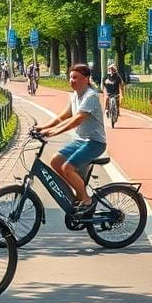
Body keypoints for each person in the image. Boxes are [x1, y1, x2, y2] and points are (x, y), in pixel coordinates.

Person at [36, 63, 107, 212]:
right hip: (80, 141)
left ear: (86, 79)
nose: (71, 80)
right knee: (56, 161)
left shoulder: (91, 96)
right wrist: (43, 127)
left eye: (75, 77)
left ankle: (86, 200)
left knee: (67, 168)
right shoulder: (75, 96)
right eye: (70, 77)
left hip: (95, 143)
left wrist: (54, 132)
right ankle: (76, 194)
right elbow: (64, 116)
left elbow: (78, 119)